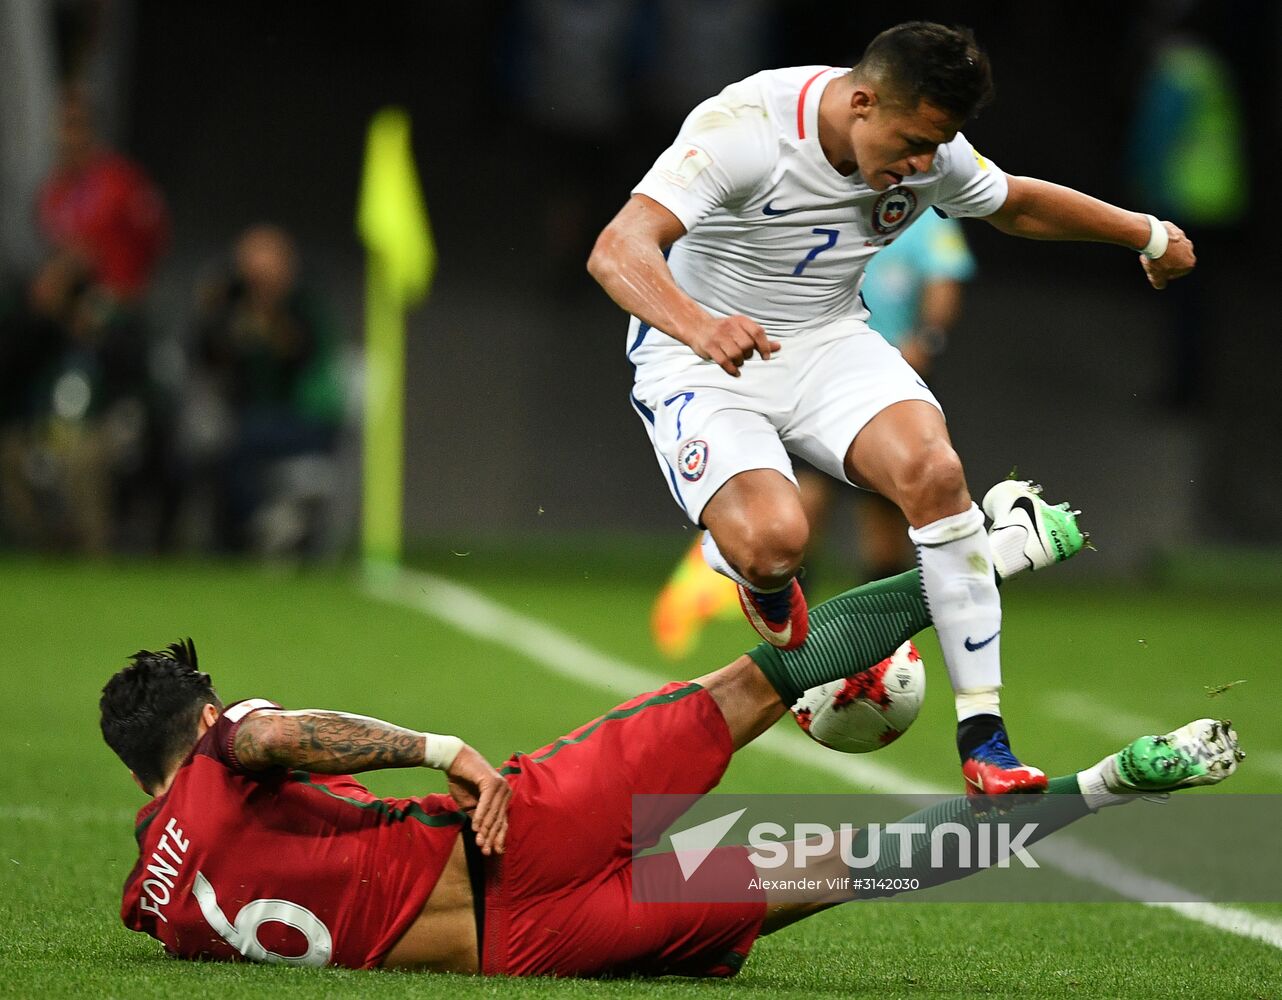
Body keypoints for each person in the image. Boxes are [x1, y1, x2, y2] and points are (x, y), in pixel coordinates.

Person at [100, 562, 1241, 976]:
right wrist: (441, 749)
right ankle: (989, 553)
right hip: (510, 832)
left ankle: (1108, 786)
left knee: (840, 865)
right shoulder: (224, 741)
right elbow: (271, 738)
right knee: (754, 684)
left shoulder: (153, 915)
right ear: (196, 715)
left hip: (527, 949)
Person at [587, 21, 1193, 794]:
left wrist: (1145, 233)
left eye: (934, 148)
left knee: (935, 473)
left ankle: (986, 738)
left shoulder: (930, 152)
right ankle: (759, 575)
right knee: (774, 541)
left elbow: (1016, 204)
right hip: (697, 354)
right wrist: (701, 325)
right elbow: (619, 248)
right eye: (910, 142)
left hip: (829, 339)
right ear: (862, 101)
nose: (919, 165)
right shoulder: (746, 128)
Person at [650, 211, 977, 658]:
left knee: (889, 521)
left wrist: (927, 339)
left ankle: (876, 648)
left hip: (882, 382)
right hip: (816, 377)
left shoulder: (921, 214)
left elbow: (945, 281)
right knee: (801, 509)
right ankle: (788, 620)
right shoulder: (825, 197)